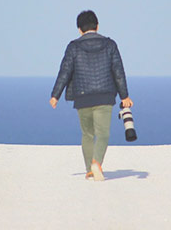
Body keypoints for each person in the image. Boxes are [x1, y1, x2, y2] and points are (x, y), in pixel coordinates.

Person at [50, 10, 133, 181]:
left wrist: (55, 95)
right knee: (103, 133)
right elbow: (118, 72)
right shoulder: (110, 45)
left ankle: (89, 169)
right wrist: (125, 96)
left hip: (82, 97)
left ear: (79, 29)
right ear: (97, 26)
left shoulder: (73, 46)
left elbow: (65, 72)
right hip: (105, 96)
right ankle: (97, 162)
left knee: (87, 134)